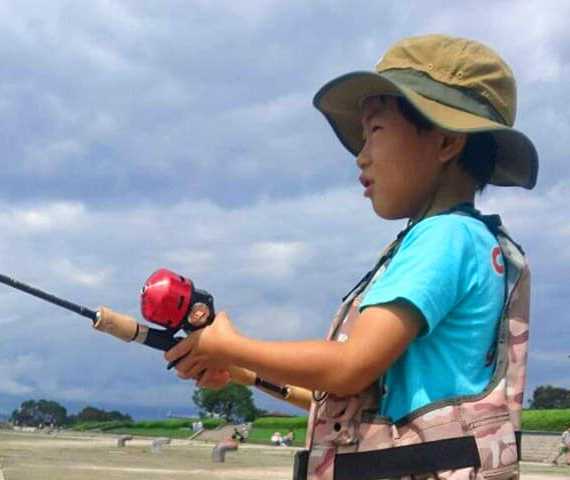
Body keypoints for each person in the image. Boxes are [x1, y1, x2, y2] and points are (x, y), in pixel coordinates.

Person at [166, 34, 536, 479]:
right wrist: (244, 370)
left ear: (445, 142)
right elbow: (348, 402)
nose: (360, 156)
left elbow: (349, 367)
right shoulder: (470, 241)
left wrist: (229, 344)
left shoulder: (445, 237)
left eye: (375, 131)